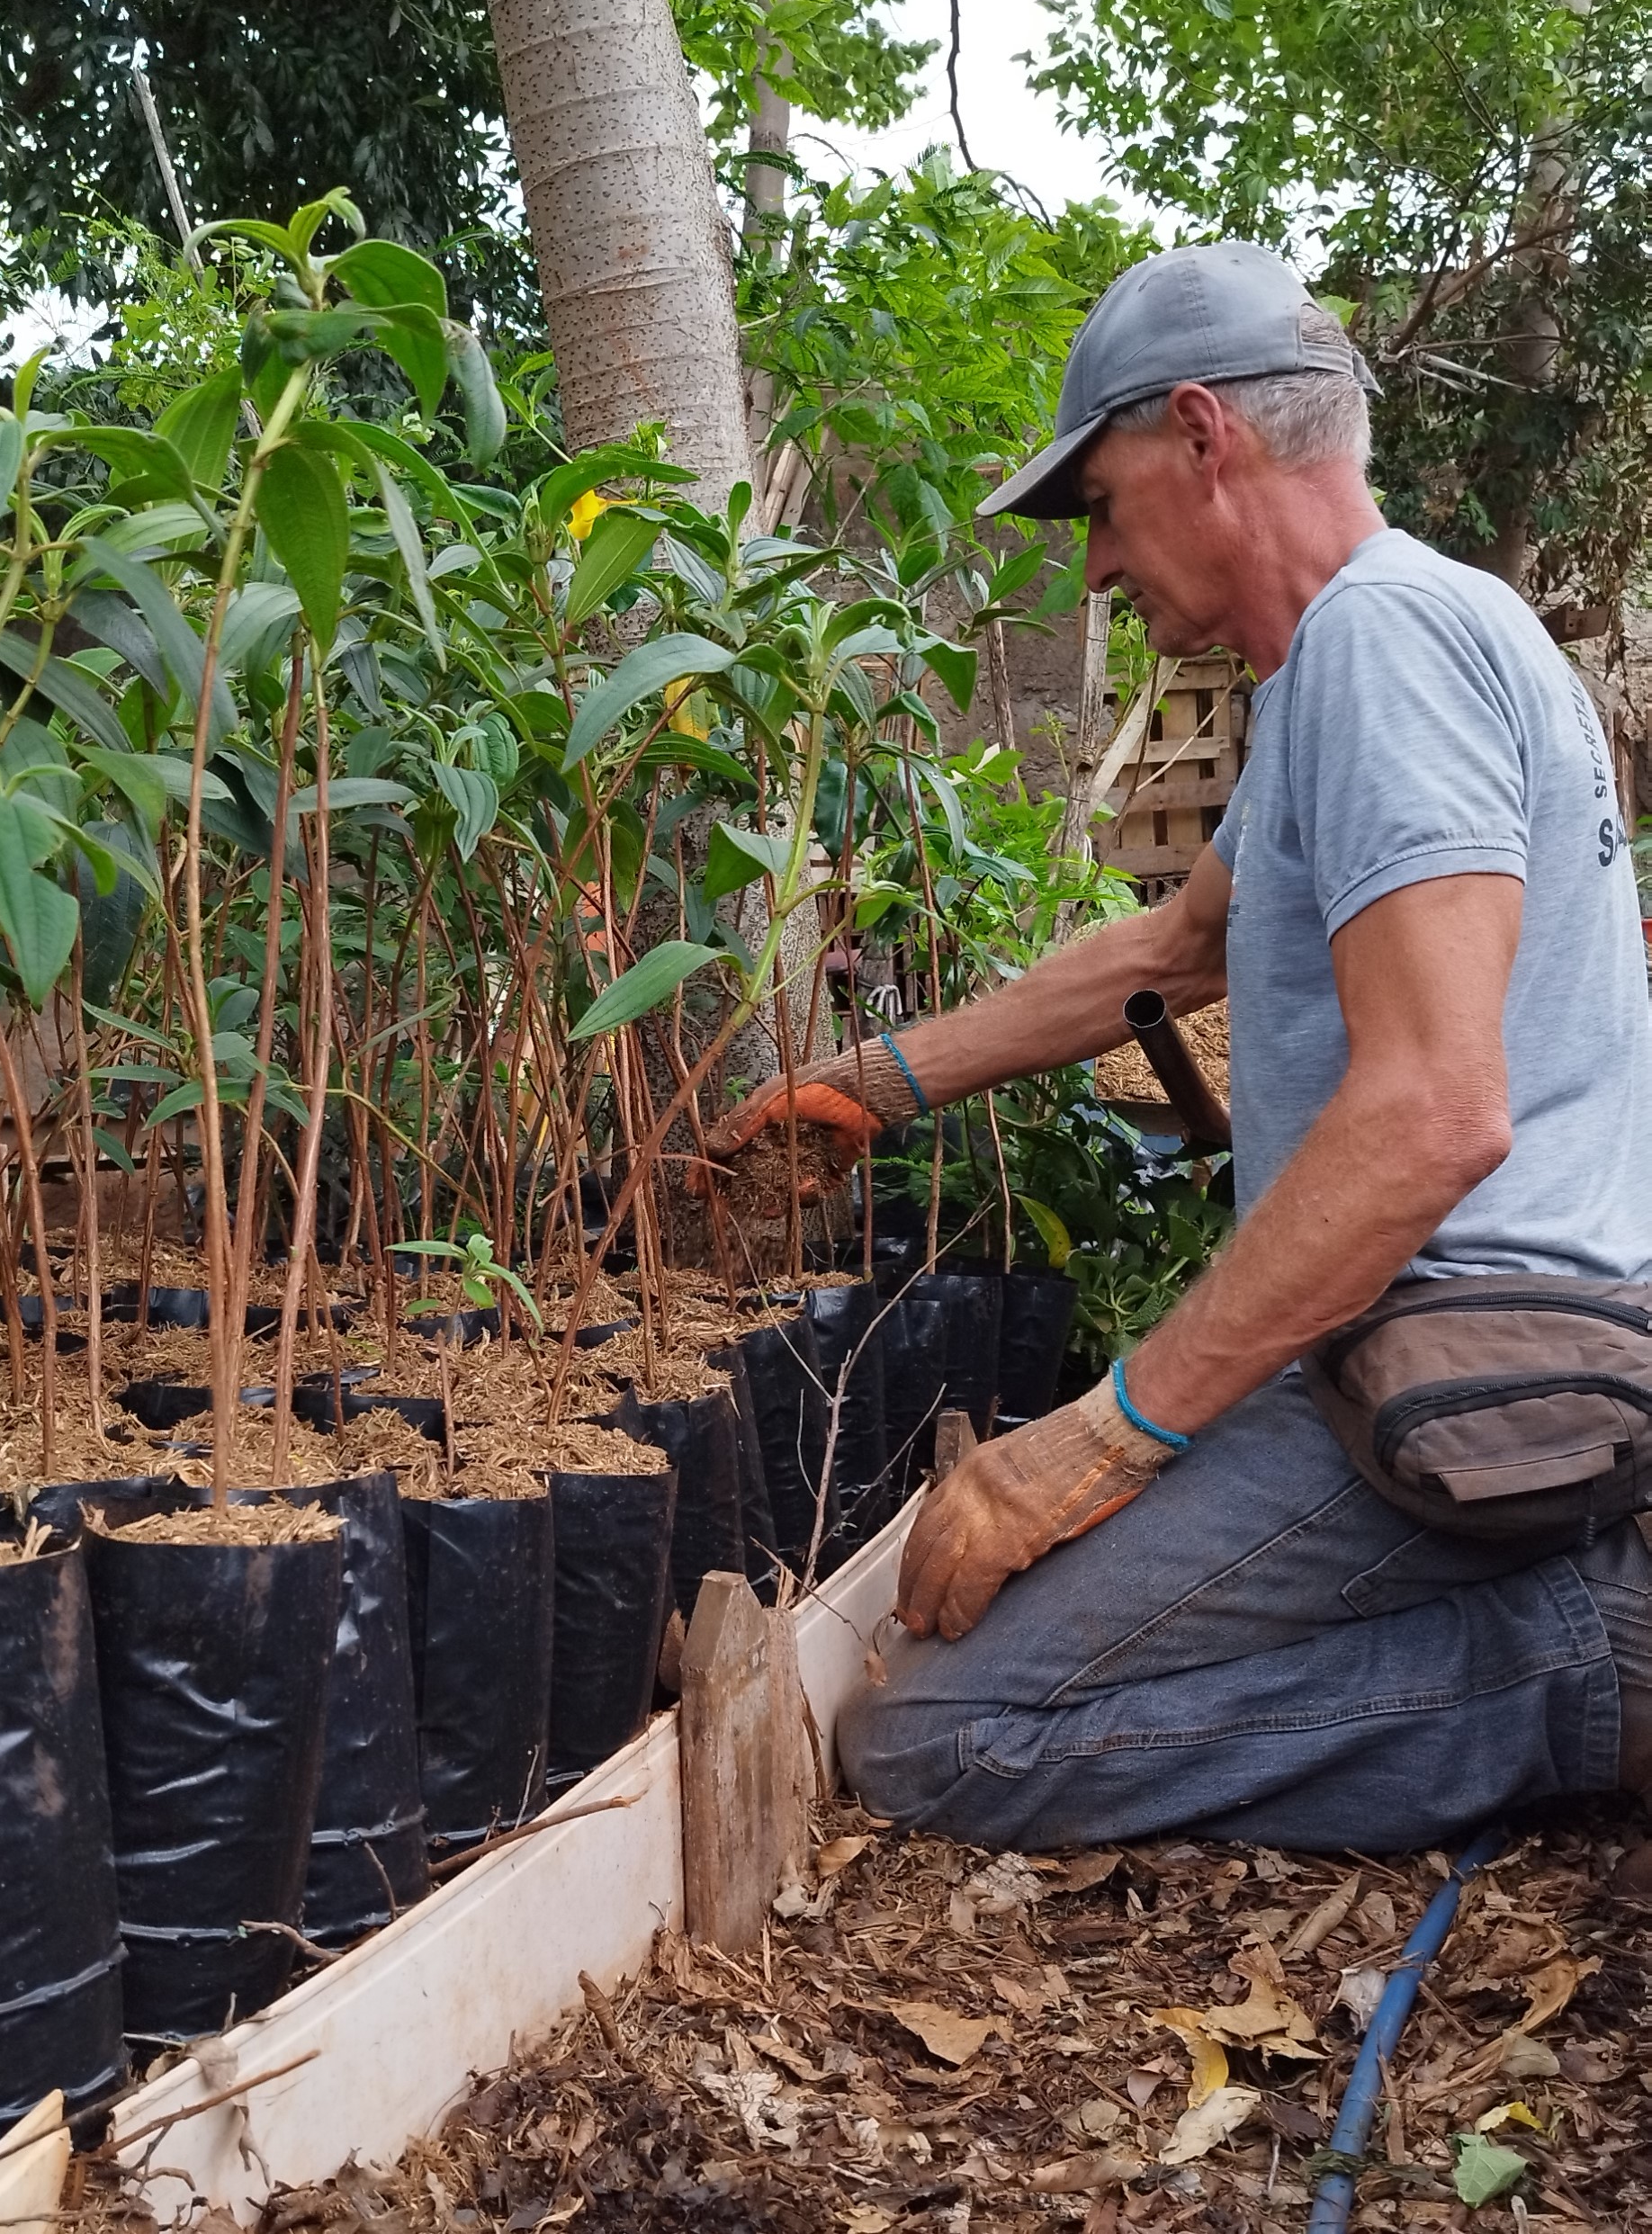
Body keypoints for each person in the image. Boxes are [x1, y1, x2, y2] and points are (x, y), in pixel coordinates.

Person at [704, 242, 1652, 1862]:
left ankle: (1590, 1664)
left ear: (1205, 435)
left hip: (1459, 1361)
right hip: (1453, 1335)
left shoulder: (1381, 646)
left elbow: (1433, 1114)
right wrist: (871, 1083)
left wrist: (1096, 1439)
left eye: (1098, 502)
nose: (1090, 570)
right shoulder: (1390, 649)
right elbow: (1168, 953)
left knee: (944, 1736)